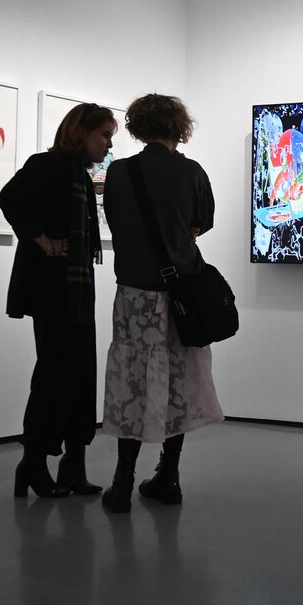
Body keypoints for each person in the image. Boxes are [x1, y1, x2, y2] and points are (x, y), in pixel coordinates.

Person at [100, 93, 224, 512]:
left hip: (133, 293)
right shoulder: (191, 172)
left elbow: (115, 221)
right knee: (178, 379)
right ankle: (168, 477)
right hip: (180, 292)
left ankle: (122, 482)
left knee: (131, 380)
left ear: (137, 127)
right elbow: (201, 223)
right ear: (179, 127)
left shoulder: (119, 171)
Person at [0, 102, 115, 498]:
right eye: (104, 135)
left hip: (77, 288)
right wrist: (44, 241)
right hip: (52, 287)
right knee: (53, 376)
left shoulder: (79, 175)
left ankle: (73, 464)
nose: (108, 145)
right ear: (81, 133)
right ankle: (33, 463)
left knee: (81, 374)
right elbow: (10, 198)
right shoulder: (47, 165)